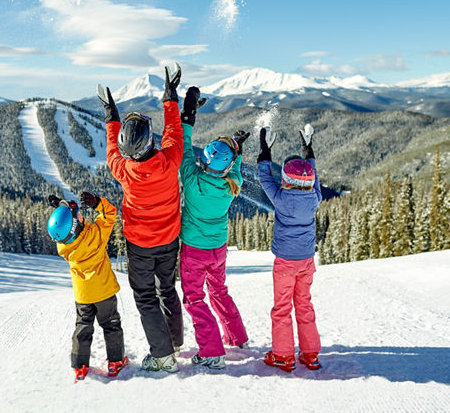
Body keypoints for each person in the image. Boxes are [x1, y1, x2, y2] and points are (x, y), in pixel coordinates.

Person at [96, 65, 184, 373]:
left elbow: (110, 150)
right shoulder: (170, 160)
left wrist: (111, 114)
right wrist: (169, 96)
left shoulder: (122, 170)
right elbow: (174, 129)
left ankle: (163, 356)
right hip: (170, 240)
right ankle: (173, 342)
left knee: (147, 297)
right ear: (150, 142)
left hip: (140, 246)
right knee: (167, 289)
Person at [178, 86, 250, 370]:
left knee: (195, 298)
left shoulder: (192, 178)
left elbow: (184, 148)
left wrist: (188, 118)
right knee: (219, 291)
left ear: (205, 158)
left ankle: (211, 351)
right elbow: (236, 169)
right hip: (218, 249)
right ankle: (237, 337)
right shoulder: (232, 185)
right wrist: (238, 150)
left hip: (194, 250)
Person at [257, 125, 324, 372]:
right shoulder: (315, 198)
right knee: (304, 305)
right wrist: (309, 149)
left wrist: (265, 150)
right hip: (307, 262)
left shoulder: (282, 199)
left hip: (285, 263)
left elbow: (264, 177)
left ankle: (283, 356)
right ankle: (310, 354)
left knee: (282, 308)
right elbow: (314, 173)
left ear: (285, 179)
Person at [46, 191, 128, 382]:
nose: (82, 214)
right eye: (79, 216)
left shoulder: (64, 246)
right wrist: (98, 203)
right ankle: (115, 362)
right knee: (111, 325)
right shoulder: (96, 234)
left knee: (83, 327)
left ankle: (79, 366)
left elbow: (64, 226)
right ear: (76, 224)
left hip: (83, 294)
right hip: (104, 291)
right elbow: (110, 213)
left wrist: (61, 207)